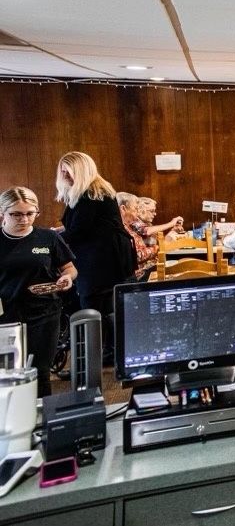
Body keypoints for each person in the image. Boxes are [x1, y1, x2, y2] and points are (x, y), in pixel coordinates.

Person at [0, 187, 77, 396]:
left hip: (45, 313)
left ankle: (42, 421)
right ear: (2, 214)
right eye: (16, 214)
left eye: (30, 213)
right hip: (7, 316)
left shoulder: (48, 237)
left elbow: (69, 268)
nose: (24, 219)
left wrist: (67, 278)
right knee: (9, 373)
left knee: (41, 371)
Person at [55, 151, 135, 316]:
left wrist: (51, 239)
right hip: (107, 257)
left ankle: (98, 342)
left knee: (95, 310)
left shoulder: (89, 194)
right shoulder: (96, 190)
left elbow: (79, 231)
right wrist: (60, 232)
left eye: (68, 171)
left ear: (80, 170)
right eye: (62, 171)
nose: (64, 175)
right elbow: (88, 226)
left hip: (101, 262)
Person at [116, 192, 159, 280]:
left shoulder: (128, 226)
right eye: (135, 209)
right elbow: (138, 256)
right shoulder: (122, 230)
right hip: (139, 277)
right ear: (123, 209)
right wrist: (158, 247)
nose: (137, 216)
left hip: (143, 272)